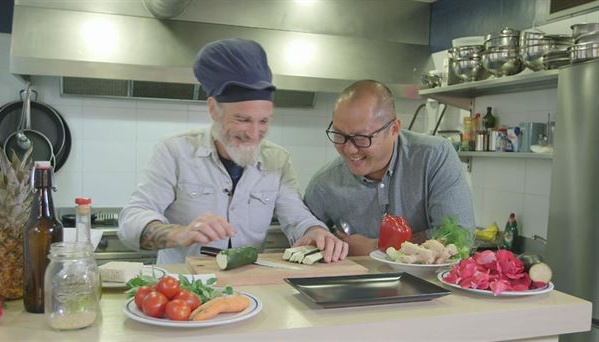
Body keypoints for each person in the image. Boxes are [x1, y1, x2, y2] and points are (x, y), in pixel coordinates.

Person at [118, 38, 347, 264]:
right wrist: (179, 232)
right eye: (242, 119)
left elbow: (296, 216)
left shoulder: (278, 160)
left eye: (264, 121)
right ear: (213, 109)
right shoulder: (174, 152)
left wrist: (315, 230)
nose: (254, 133)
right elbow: (132, 220)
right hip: (182, 289)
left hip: (249, 289)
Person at [304, 80, 474, 256]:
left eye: (362, 138)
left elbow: (459, 236)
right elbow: (304, 244)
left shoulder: (435, 156)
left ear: (394, 129)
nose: (349, 149)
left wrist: (377, 248)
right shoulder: (324, 185)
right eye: (339, 135)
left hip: (426, 281)